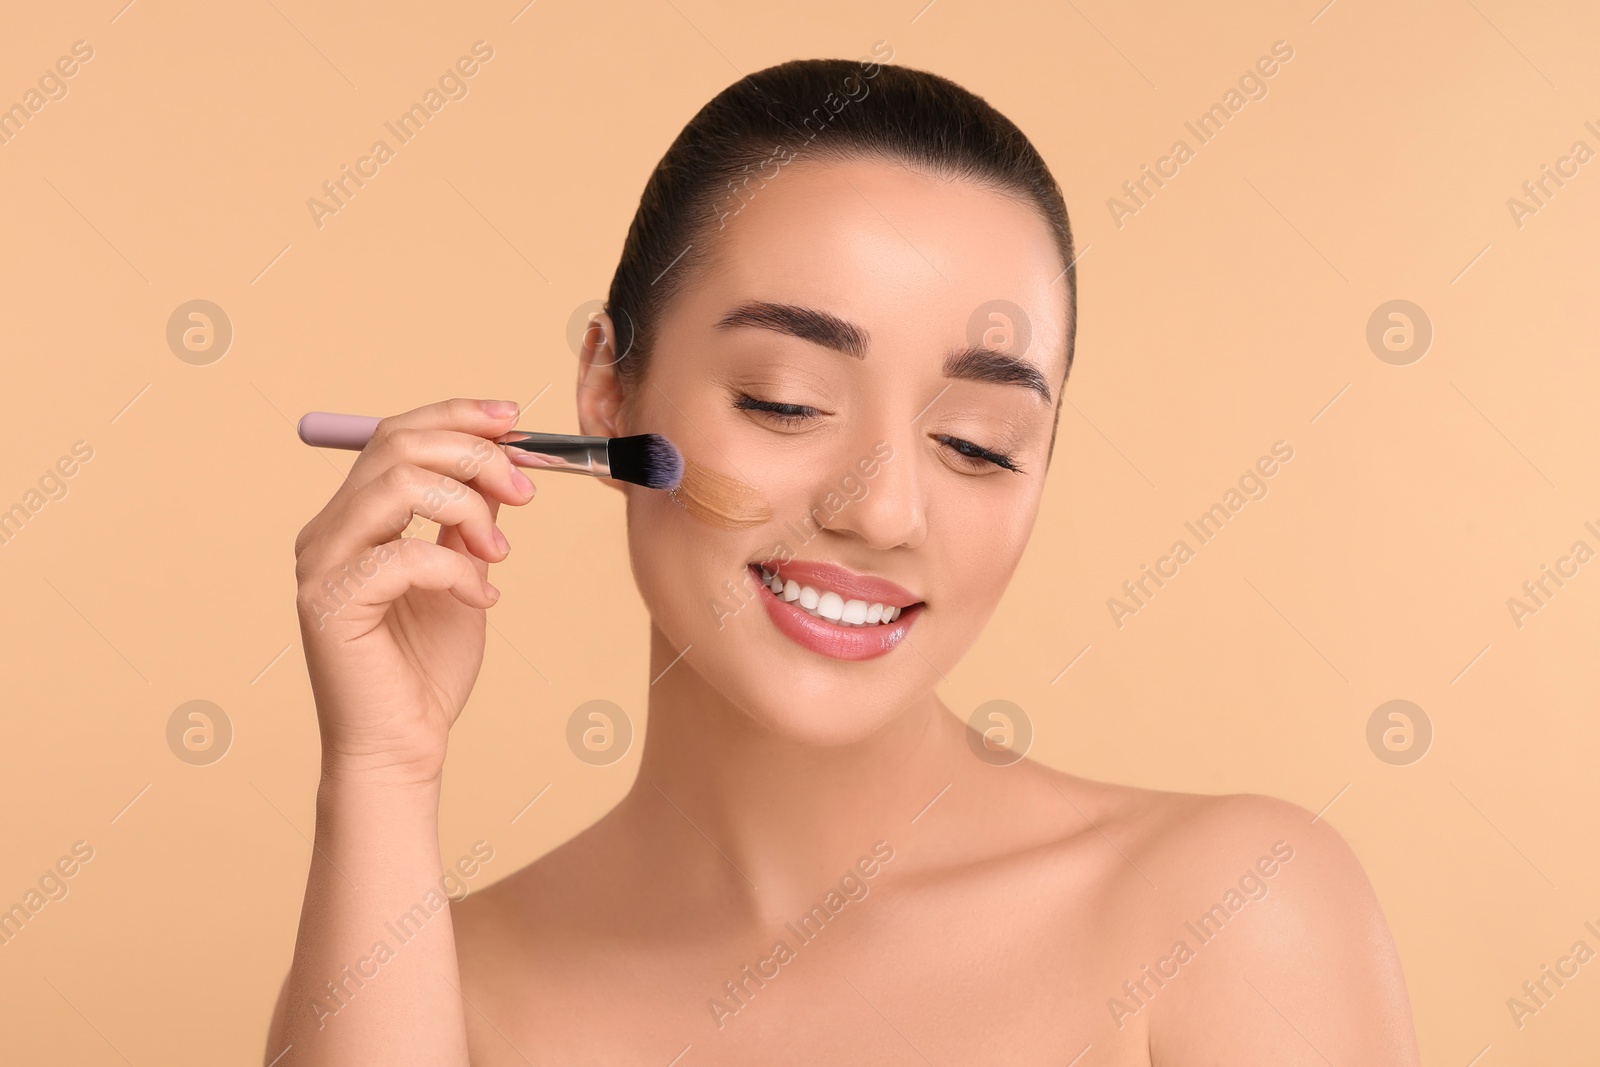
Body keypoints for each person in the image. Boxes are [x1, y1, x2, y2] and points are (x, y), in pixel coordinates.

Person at [266, 56, 1421, 1064]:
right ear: (608, 389)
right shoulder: (435, 982)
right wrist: (381, 775)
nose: (882, 511)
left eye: (977, 441)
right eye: (785, 402)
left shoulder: (1233, 911)